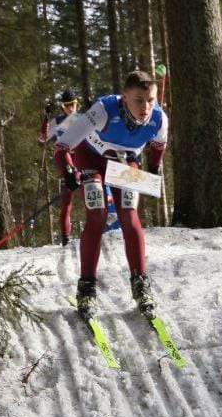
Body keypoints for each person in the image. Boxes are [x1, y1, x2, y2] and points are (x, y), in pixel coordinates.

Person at [54, 70, 168, 316]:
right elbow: (61, 146)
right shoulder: (103, 110)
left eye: (150, 100)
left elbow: (159, 146)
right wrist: (68, 171)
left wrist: (153, 170)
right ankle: (86, 288)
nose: (145, 107)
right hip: (91, 159)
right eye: (138, 100)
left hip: (124, 163)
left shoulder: (159, 119)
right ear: (124, 96)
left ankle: (140, 283)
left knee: (129, 213)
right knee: (97, 214)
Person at [40, 89, 80, 245]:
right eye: (67, 105)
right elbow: (43, 138)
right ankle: (65, 238)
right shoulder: (57, 121)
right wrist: (46, 117)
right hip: (66, 163)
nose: (70, 108)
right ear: (63, 106)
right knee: (66, 202)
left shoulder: (83, 119)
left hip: (82, 161)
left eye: (73, 104)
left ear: (77, 104)